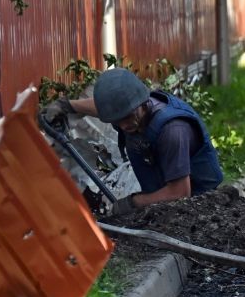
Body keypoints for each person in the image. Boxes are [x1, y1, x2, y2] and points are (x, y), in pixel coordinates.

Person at [44, 68, 224, 214]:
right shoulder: (130, 112)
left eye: (128, 117)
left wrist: (133, 202)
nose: (124, 126)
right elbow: (105, 108)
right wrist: (67, 106)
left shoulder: (172, 132)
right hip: (164, 197)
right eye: (117, 119)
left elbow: (180, 193)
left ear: (143, 103)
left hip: (199, 206)